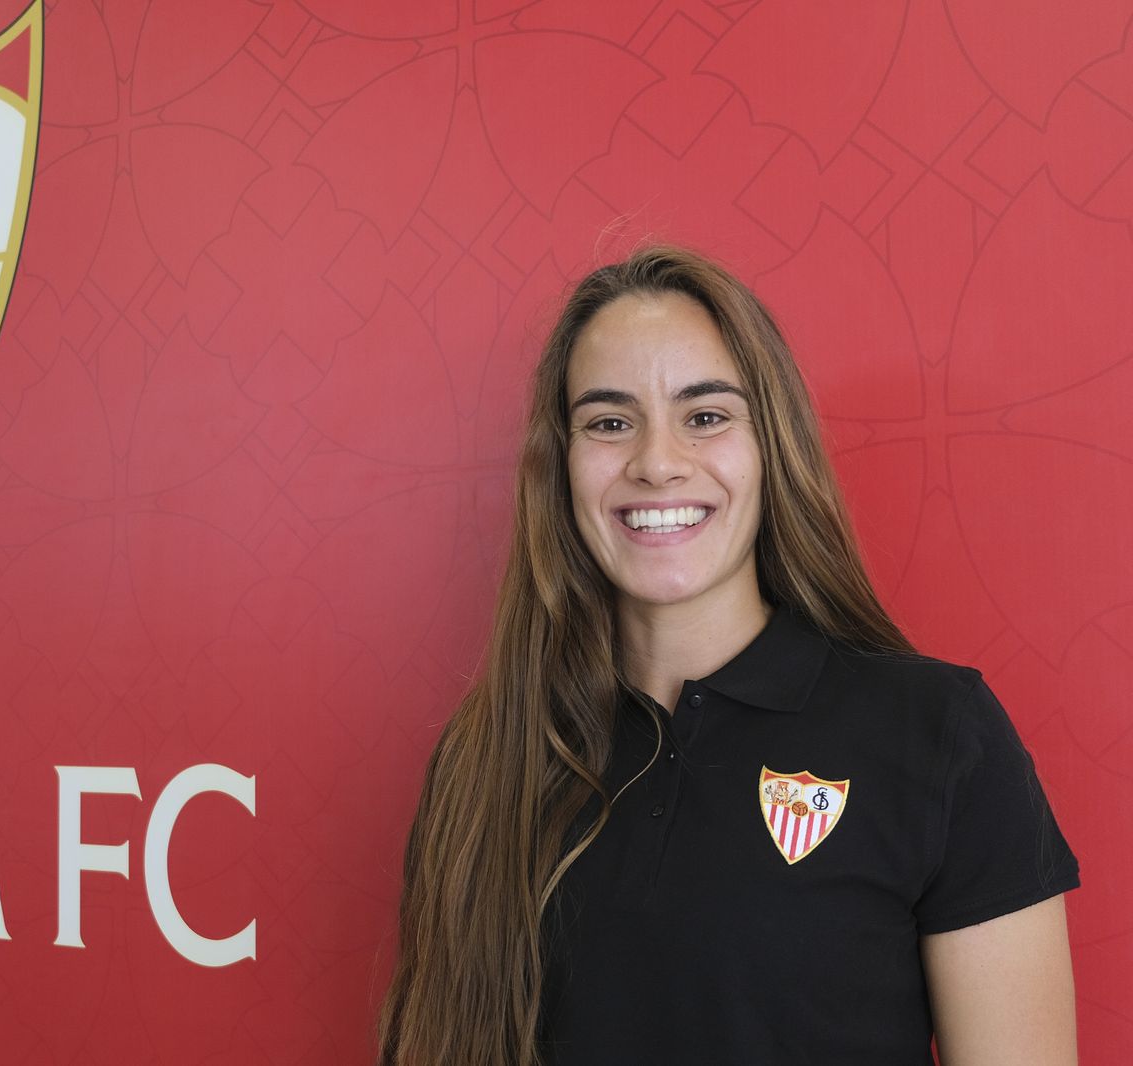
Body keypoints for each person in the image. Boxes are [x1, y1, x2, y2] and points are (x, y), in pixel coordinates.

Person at [377, 245, 1079, 1065]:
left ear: (769, 445)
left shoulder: (941, 735)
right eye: (609, 422)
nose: (657, 461)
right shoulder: (485, 760)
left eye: (704, 415)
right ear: (559, 467)